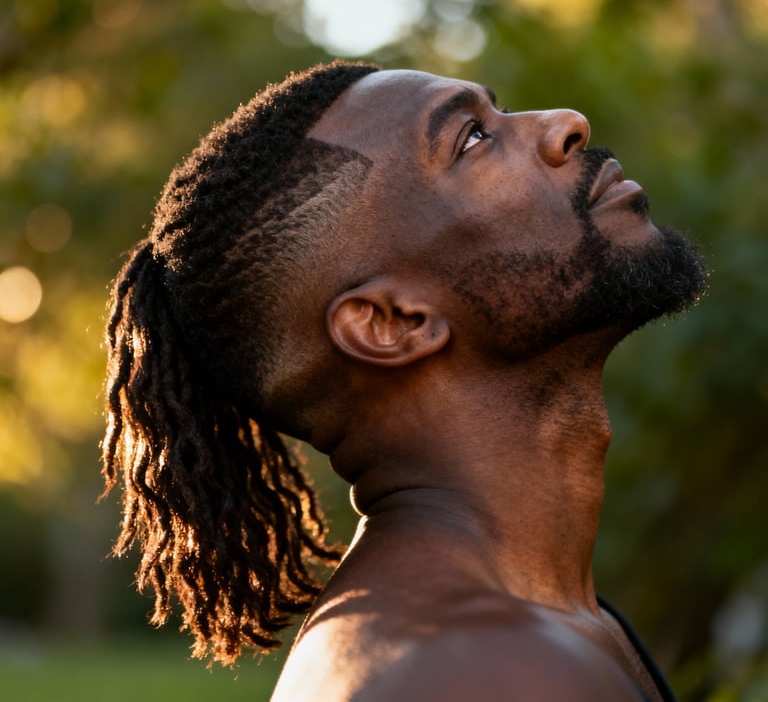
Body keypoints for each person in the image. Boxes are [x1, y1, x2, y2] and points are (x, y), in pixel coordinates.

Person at [101, 60, 707, 701]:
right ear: (390, 324)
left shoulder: (542, 627)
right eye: (472, 138)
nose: (566, 124)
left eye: (497, 113)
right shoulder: (475, 671)